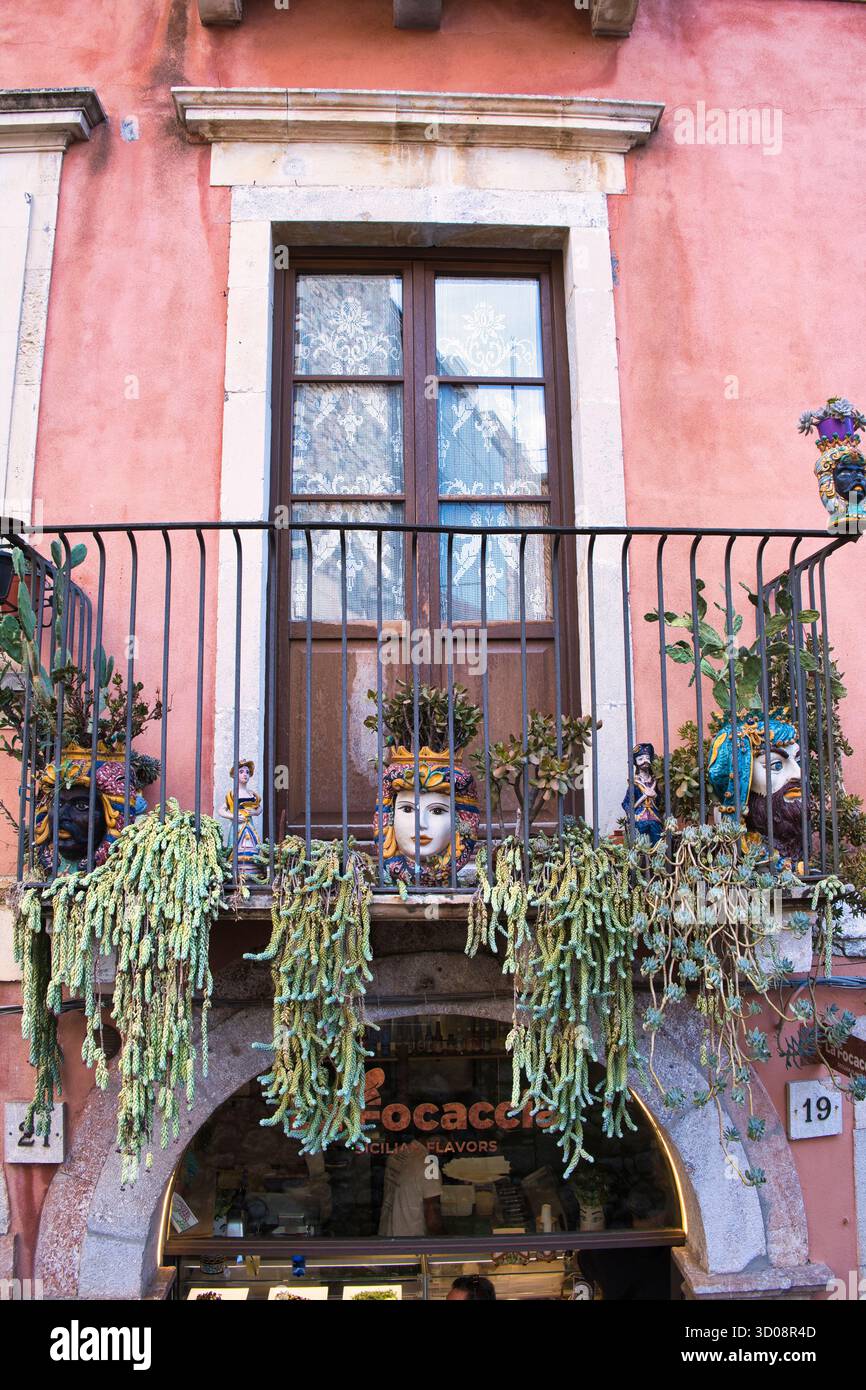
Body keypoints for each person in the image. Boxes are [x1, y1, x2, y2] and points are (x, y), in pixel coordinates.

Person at [377, 1138, 443, 1238]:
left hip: (386, 1236)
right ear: (435, 1141)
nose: (445, 1151)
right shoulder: (428, 1166)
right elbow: (432, 1220)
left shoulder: (395, 1155)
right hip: (412, 1241)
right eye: (444, 1146)